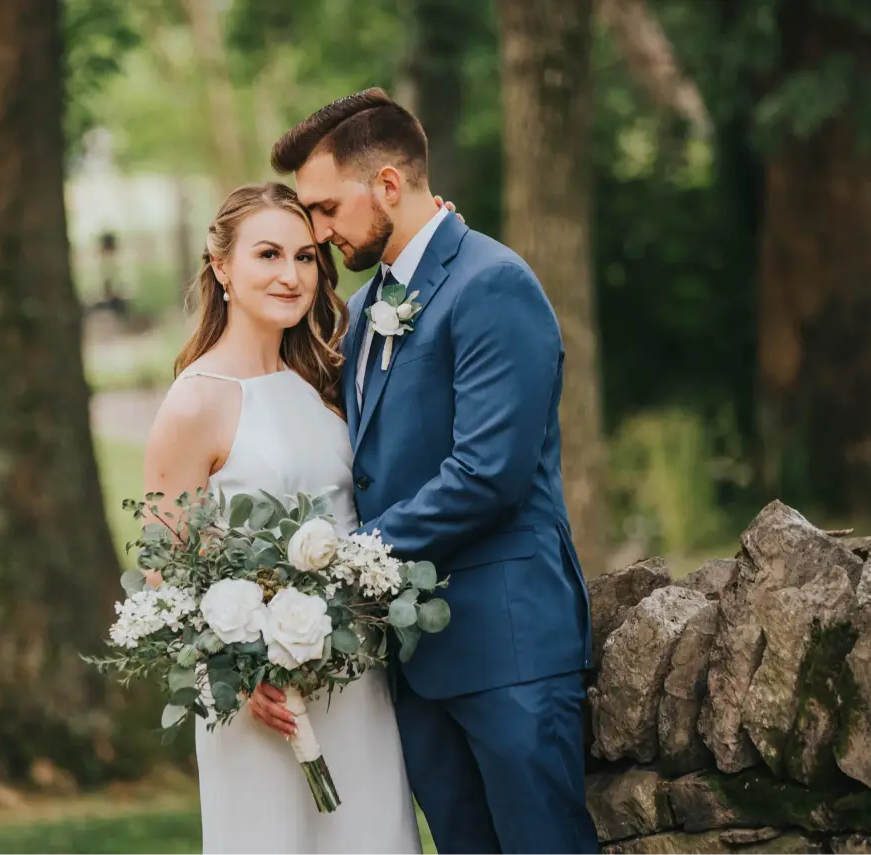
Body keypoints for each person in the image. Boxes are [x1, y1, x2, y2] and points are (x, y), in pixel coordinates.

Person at [251, 88, 598, 854]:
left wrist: (344, 561)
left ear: (387, 185)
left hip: (509, 651)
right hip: (416, 664)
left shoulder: (493, 285)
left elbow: (488, 474)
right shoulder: (370, 303)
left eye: (325, 207)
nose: (318, 231)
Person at [140, 182, 425, 854]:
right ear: (221, 267)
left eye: (304, 258)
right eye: (268, 254)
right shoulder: (196, 402)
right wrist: (240, 674)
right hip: (262, 701)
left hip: (356, 682)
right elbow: (162, 572)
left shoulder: (325, 377)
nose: (291, 275)